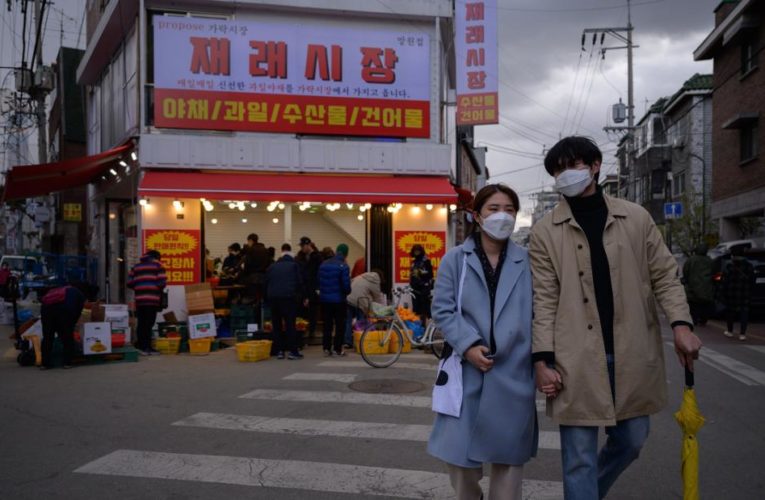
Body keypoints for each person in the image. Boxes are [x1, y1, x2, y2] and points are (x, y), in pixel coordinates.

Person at [528, 136, 702, 500]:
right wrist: (542, 360)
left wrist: (681, 325)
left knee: (633, 440)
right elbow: (543, 298)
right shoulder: (545, 231)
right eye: (558, 170)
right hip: (574, 357)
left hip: (631, 352)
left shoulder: (635, 217)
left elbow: (664, 275)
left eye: (573, 165)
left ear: (594, 166)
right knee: (578, 459)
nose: (565, 175)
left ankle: (587, 492)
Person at [428, 184, 538, 500]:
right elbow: (443, 309)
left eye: (509, 209)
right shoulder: (455, 260)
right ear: (477, 215)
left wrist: (543, 360)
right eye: (493, 209)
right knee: (460, 466)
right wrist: (469, 344)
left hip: (514, 372)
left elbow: (541, 312)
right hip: (467, 372)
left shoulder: (528, 261)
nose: (502, 216)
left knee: (508, 468)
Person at [265, 243, 305, 360]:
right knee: (289, 325)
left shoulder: (272, 266)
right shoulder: (294, 266)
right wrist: (301, 297)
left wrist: (267, 298)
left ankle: (279, 351)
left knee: (276, 325)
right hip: (288, 298)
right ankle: (293, 351)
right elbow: (299, 283)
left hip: (273, 298)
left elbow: (266, 283)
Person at [127, 250, 167, 356]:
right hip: (151, 299)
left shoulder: (136, 267)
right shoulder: (158, 266)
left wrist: (140, 287)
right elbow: (162, 282)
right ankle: (147, 348)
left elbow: (130, 283)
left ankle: (140, 346)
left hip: (140, 300)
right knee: (149, 324)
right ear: (156, 257)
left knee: (141, 323)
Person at [39, 284, 86, 369]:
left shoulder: (57, 290)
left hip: (46, 311)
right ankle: (67, 363)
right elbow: (78, 311)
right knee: (67, 338)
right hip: (63, 312)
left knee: (47, 337)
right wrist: (72, 324)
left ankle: (45, 364)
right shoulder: (79, 294)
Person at [318, 243, 351, 356]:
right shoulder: (343, 266)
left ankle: (326, 348)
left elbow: (319, 282)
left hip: (325, 300)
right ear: (346, 254)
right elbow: (346, 286)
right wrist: (346, 292)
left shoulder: (323, 264)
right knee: (340, 325)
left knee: (327, 324)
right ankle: (338, 348)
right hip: (339, 301)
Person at [720, 246, 756, 341]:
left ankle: (730, 331)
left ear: (732, 254)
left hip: (731, 293)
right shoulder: (749, 266)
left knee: (730, 313)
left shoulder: (729, 265)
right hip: (745, 293)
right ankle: (742, 334)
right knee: (744, 313)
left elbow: (724, 281)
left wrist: (722, 292)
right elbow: (753, 280)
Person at [345, 269, 385, 347]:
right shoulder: (375, 280)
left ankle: (347, 341)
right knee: (361, 322)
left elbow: (351, 282)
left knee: (348, 321)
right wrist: (381, 309)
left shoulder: (362, 276)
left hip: (348, 299)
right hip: (359, 301)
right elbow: (377, 297)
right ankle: (361, 341)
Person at [296, 236, 322, 339]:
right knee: (303, 312)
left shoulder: (317, 258)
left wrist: (317, 289)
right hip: (303, 288)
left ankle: (311, 332)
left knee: (312, 312)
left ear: (308, 245)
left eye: (302, 246)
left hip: (313, 288)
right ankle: (302, 332)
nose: (301, 248)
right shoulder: (301, 257)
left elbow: (317, 275)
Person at [683, 244, 714, 326]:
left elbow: (685, 271)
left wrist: (687, 280)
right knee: (704, 305)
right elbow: (714, 272)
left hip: (692, 287)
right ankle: (703, 319)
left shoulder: (691, 260)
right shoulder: (710, 260)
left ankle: (694, 319)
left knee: (693, 305)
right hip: (706, 287)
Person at [240, 233, 270, 303]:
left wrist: (244, 274)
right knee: (262, 299)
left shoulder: (251, 250)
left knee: (252, 299)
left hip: (253, 278)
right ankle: (261, 313)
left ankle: (254, 312)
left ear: (251, 240)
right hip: (264, 277)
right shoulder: (265, 250)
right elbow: (269, 263)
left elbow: (247, 264)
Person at [409, 244, 434, 324]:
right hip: (415, 289)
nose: (416, 252)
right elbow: (412, 275)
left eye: (418, 251)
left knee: (425, 309)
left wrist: (421, 272)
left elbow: (430, 275)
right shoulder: (414, 262)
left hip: (424, 289)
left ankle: (426, 328)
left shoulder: (426, 261)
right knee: (416, 309)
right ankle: (418, 328)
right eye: (415, 251)